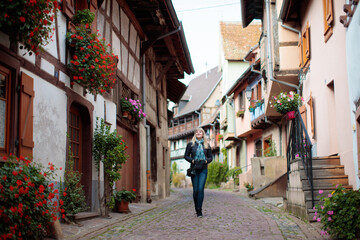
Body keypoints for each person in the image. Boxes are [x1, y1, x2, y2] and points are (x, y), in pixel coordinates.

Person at [184, 128, 212, 217]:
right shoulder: (191, 145)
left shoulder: (207, 145)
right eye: (197, 132)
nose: (198, 133)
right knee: (195, 190)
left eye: (200, 132)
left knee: (200, 189)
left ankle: (199, 209)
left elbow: (210, 157)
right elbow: (186, 156)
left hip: (203, 169)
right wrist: (192, 160)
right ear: (195, 134)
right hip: (194, 169)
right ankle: (196, 208)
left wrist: (206, 161)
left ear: (203, 134)